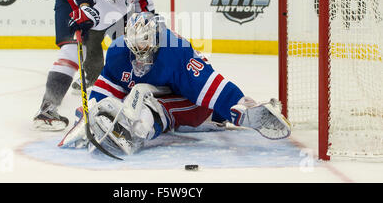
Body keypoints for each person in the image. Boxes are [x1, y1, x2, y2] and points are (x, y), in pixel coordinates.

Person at [58, 12, 291, 155]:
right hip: (167, 97)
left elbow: (210, 87)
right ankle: (214, 119)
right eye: (135, 48)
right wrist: (87, 116)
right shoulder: (119, 52)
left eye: (145, 47)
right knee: (138, 96)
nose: (139, 55)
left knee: (151, 104)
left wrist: (239, 109)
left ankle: (135, 133)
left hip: (191, 98)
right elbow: (107, 87)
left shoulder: (176, 53)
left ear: (158, 41)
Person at [32, 0, 155, 131]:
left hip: (113, 8)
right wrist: (84, 8)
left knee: (139, 48)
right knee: (72, 52)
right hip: (74, 0)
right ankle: (46, 110)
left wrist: (148, 19)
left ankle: (135, 103)